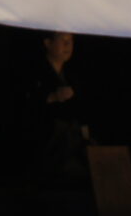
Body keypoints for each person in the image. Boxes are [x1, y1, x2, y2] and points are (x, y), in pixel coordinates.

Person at [29, 30, 90, 182]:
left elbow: (80, 111)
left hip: (70, 141)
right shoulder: (35, 71)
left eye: (71, 40)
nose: (68, 45)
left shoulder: (71, 75)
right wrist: (53, 97)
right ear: (48, 43)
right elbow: (28, 103)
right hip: (45, 141)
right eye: (63, 40)